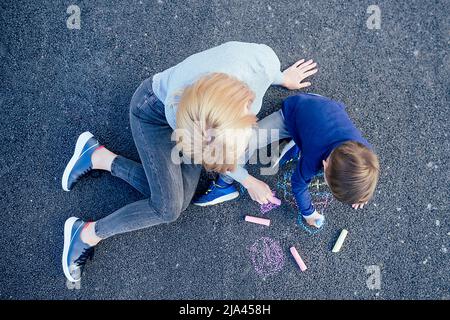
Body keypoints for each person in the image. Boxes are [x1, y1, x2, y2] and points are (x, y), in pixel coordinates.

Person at [60, 41, 317, 282]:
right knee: (168, 209)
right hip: (153, 114)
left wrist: (282, 78)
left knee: (177, 201)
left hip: (194, 126)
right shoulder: (179, 113)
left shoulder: (263, 61)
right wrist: (247, 180)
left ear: (245, 108)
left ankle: (98, 156)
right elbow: (212, 153)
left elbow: (221, 149)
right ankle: (86, 233)